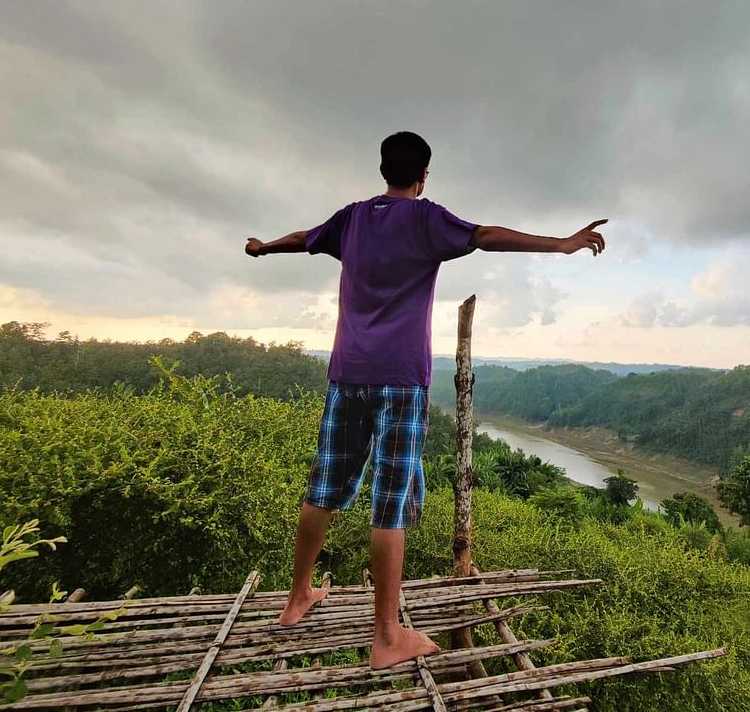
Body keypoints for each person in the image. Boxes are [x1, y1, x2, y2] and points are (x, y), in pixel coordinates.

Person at [244, 131, 606, 669]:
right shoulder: (426, 219)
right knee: (389, 501)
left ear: (383, 169)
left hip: (348, 373)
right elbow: (485, 235)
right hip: (401, 380)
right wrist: (560, 244)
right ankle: (386, 637)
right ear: (424, 175)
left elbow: (305, 237)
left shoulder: (352, 218)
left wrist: (264, 247)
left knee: (324, 485)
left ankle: (296, 598)